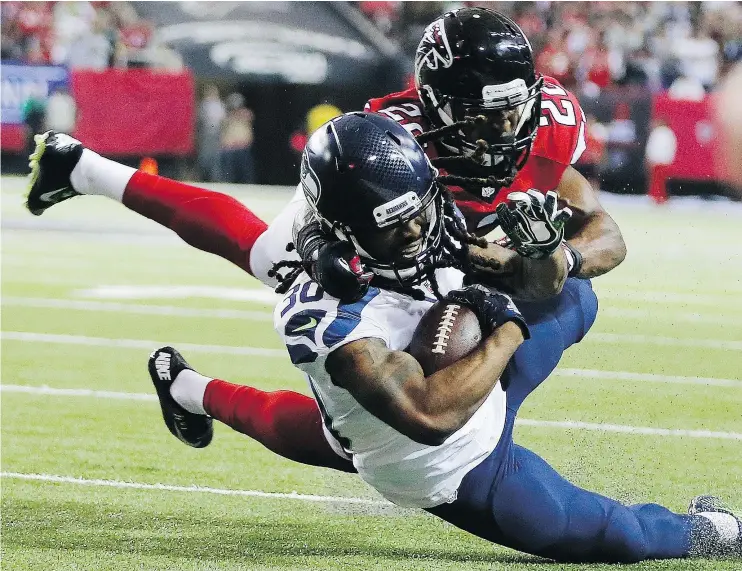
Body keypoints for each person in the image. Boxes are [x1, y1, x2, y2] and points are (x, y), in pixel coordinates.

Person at [24, 8, 621, 478]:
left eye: (517, 107)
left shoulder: (548, 122)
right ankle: (85, 172)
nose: (508, 128)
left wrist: (556, 255)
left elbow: (606, 235)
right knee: (268, 262)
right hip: (393, 253)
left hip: (451, 256)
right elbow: (321, 220)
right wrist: (322, 254)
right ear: (437, 104)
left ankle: (187, 388)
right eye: (485, 115)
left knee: (359, 440)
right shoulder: (392, 140)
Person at [147, 113, 741, 563]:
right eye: (392, 224)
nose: (415, 229)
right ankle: (717, 530)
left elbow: (562, 247)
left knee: (578, 297)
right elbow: (429, 416)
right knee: (622, 537)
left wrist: (533, 253)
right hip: (453, 461)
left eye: (420, 209)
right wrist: (506, 324)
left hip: (469, 358)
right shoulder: (327, 317)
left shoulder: (418, 212)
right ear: (342, 231)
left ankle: (190, 390)